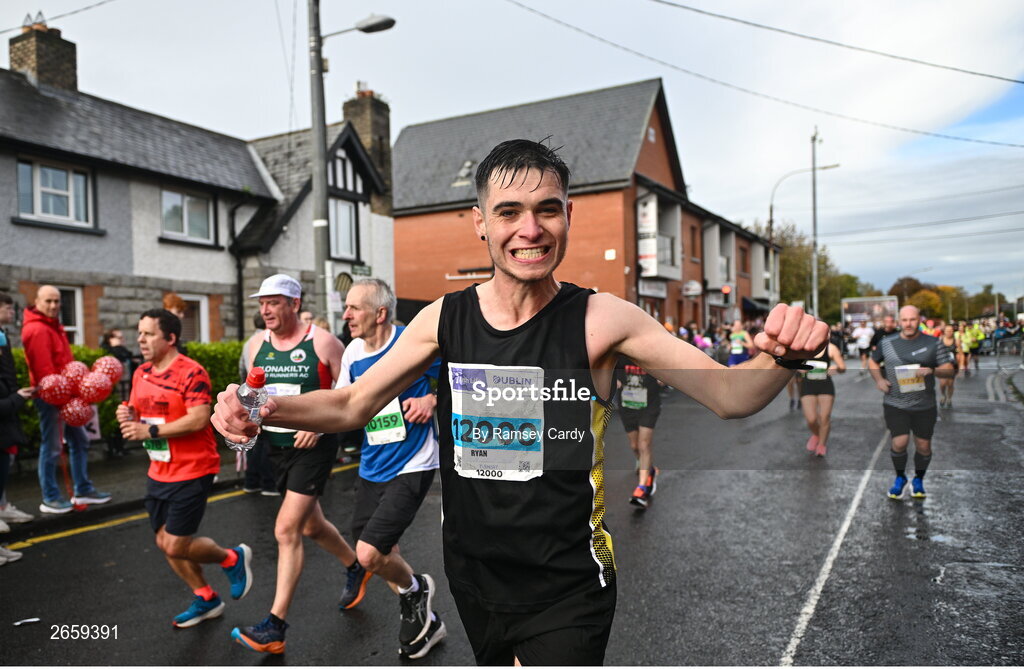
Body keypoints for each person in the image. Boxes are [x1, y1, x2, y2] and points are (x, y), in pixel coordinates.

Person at [211, 139, 827, 665]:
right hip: (474, 573)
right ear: (479, 220)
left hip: (568, 580)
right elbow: (351, 406)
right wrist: (262, 407)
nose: (529, 230)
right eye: (508, 211)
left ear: (567, 216)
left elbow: (728, 393)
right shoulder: (443, 319)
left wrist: (784, 357)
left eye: (546, 210)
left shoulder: (601, 318)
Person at [231, 274, 357, 655]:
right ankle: (355, 566)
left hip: (314, 446)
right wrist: (244, 430)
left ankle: (276, 625)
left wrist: (319, 428)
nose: (265, 310)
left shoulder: (322, 342)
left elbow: (348, 391)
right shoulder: (256, 345)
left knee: (286, 529)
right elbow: (251, 396)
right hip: (277, 448)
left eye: (273, 302)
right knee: (313, 526)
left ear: (294, 304)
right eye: (261, 303)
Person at [115, 309, 253, 627]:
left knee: (176, 542)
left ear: (171, 338)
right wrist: (127, 413)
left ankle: (231, 558)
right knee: (164, 542)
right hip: (158, 470)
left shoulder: (191, 372)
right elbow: (138, 407)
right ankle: (206, 597)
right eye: (140, 333)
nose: (140, 339)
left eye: (148, 333)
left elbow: (199, 418)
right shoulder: (141, 373)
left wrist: (149, 432)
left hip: (193, 468)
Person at [336, 278, 446, 659]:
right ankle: (421, 612)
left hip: (414, 461)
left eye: (354, 308)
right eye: (345, 307)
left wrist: (432, 398)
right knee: (379, 549)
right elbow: (342, 403)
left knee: (368, 554)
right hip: (372, 464)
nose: (345, 315)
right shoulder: (352, 353)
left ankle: (415, 590)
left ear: (380, 313)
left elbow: (458, 375)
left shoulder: (410, 342)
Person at [22, 285, 111, 513]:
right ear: (37, 301)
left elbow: (64, 363)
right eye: (48, 301)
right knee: (51, 448)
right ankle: (50, 497)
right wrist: (61, 398)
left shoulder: (53, 326)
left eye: (57, 301)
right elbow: (45, 373)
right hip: (51, 397)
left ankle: (83, 489)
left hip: (67, 397)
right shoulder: (38, 329)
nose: (53, 306)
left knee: (80, 441)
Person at [868, 305, 954, 500]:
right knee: (900, 442)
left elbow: (949, 370)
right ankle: (900, 478)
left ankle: (918, 479)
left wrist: (931, 370)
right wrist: (879, 380)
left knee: (923, 446)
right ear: (899, 322)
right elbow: (873, 362)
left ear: (919, 320)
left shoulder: (933, 343)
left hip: (924, 405)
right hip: (895, 403)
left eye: (912, 319)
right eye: (904, 320)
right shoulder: (887, 343)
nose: (908, 324)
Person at [0, 292, 35, 546]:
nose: (12, 313)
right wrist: (17, 399)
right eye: (8, 308)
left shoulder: (3, 337)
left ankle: (3, 507)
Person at [238, 314, 276, 496]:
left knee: (253, 440)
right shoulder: (268, 341)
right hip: (266, 396)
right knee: (267, 441)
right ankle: (269, 483)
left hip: (250, 396)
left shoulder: (248, 342)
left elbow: (241, 369)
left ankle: (251, 482)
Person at [615, 358, 661, 507]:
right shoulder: (619, 351)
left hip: (649, 403)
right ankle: (650, 470)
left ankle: (642, 488)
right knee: (635, 446)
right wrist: (612, 378)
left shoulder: (650, 350)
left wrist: (665, 376)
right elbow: (603, 364)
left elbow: (668, 361)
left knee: (644, 445)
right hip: (627, 403)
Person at [798, 339, 846, 457]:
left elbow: (842, 367)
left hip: (825, 386)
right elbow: (791, 363)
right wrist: (798, 368)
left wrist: (837, 369)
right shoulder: (802, 346)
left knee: (824, 417)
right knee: (811, 419)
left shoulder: (831, 348)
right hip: (807, 385)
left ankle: (821, 445)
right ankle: (817, 434)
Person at [939, 323, 957, 408]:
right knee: (942, 383)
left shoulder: (956, 340)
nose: (949, 332)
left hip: (952, 365)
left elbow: (960, 354)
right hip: (942, 364)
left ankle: (949, 398)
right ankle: (943, 395)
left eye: (951, 331)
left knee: (950, 384)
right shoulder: (940, 340)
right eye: (947, 331)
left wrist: (961, 367)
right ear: (944, 332)